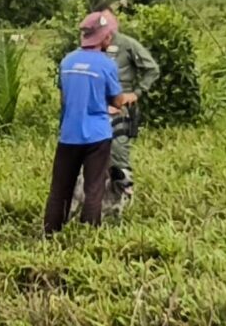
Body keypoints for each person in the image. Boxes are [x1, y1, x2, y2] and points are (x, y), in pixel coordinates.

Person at [46, 13, 127, 234]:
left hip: (69, 134)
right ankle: (89, 235)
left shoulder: (67, 61)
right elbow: (117, 100)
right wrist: (122, 99)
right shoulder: (105, 64)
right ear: (104, 37)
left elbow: (63, 99)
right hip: (97, 136)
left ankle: (51, 231)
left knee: (60, 188)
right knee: (95, 187)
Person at [75, 13, 160, 214]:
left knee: (118, 154)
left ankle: (122, 206)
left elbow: (151, 69)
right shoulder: (87, 48)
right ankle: (93, 202)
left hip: (119, 110)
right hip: (94, 109)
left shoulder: (128, 45)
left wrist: (136, 93)